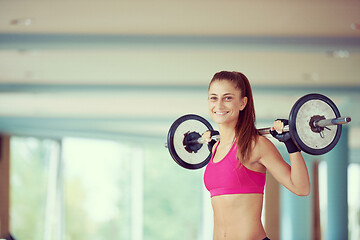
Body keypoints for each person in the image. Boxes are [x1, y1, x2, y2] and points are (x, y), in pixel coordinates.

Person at [202, 71, 310, 240]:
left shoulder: (255, 145)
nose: (219, 105)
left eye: (228, 98)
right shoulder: (215, 147)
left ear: (242, 103)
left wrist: (291, 144)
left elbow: (301, 188)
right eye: (214, 98)